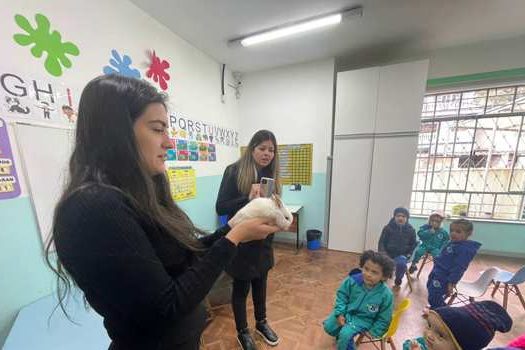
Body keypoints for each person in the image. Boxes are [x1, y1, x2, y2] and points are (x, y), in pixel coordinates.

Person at [45, 75, 280, 350]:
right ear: (116, 132)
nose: (169, 143)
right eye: (158, 129)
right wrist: (236, 236)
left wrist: (235, 229)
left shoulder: (142, 194)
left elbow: (186, 255)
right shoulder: (94, 208)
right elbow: (166, 306)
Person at [216, 129, 281, 350]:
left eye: (271, 150)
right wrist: (247, 197)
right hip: (242, 242)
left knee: (261, 285)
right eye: (262, 148)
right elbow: (221, 207)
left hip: (264, 242)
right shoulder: (233, 171)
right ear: (252, 148)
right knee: (241, 288)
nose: (267, 153)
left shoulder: (271, 175)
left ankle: (261, 323)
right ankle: (242, 331)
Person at [323, 250, 394, 350]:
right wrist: (340, 313)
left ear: (384, 276)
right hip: (347, 311)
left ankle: (346, 342)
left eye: (374, 272)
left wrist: (375, 331)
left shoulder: (386, 294)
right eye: (366, 269)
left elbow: (385, 316)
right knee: (328, 326)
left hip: (364, 320)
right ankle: (344, 337)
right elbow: (342, 296)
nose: (368, 274)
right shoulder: (352, 280)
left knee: (345, 335)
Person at [402, 301, 512, 350]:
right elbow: (408, 343)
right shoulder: (427, 342)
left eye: (441, 335)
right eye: (429, 326)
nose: (429, 335)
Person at [426, 218, 481, 309]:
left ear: (468, 233)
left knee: (434, 295)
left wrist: (451, 282)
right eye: (452, 231)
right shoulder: (453, 243)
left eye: (458, 232)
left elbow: (460, 267)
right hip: (437, 272)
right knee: (430, 288)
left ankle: (441, 312)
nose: (453, 233)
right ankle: (437, 307)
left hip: (444, 277)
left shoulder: (465, 249)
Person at [378, 207, 417, 291]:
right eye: (398, 216)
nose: (400, 218)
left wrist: (409, 254)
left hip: (401, 255)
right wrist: (383, 253)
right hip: (387, 254)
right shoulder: (387, 228)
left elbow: (413, 244)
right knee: (381, 263)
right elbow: (381, 242)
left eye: (403, 216)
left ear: (407, 218)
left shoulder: (411, 230)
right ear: (394, 217)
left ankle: (398, 279)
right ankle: (383, 279)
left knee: (401, 264)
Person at [408, 210, 449, 274]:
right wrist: (428, 232)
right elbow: (420, 234)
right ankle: (413, 265)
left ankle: (437, 269)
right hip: (424, 246)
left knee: (438, 256)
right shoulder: (425, 227)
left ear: (440, 222)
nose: (434, 223)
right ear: (429, 220)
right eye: (432, 221)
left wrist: (441, 248)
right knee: (418, 252)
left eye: (437, 222)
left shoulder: (443, 231)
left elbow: (446, 241)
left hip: (435, 248)